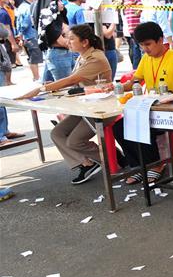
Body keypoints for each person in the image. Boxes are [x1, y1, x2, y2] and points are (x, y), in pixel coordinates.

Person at [18, 25, 112, 184]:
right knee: (57, 133)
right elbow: (75, 82)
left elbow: (72, 80)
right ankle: (86, 164)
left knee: (73, 141)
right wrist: (51, 87)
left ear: (85, 42)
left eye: (71, 38)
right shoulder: (82, 56)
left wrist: (41, 88)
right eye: (67, 38)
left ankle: (113, 159)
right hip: (85, 107)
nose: (68, 42)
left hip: (101, 108)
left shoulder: (96, 58)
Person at [114, 22, 173, 185]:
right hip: (150, 107)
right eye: (142, 45)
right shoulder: (146, 59)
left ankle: (156, 165)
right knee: (119, 127)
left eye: (148, 44)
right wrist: (119, 86)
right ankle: (138, 165)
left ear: (160, 40)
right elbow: (135, 81)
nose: (145, 49)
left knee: (142, 125)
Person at [34, 0, 74, 82]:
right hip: (59, 55)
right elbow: (62, 41)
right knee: (65, 86)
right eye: (59, 0)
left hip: (64, 54)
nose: (62, 3)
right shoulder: (49, 19)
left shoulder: (58, 16)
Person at [15, 0, 41, 81]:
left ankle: (36, 76)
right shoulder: (28, 8)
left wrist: (20, 35)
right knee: (34, 58)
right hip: (30, 35)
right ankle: (36, 77)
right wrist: (21, 36)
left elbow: (19, 23)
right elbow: (25, 23)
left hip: (26, 36)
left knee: (31, 57)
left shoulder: (21, 6)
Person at [122, 0, 143, 69]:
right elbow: (139, 11)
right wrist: (138, 13)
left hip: (130, 27)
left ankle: (135, 69)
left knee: (135, 49)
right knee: (141, 49)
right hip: (137, 26)